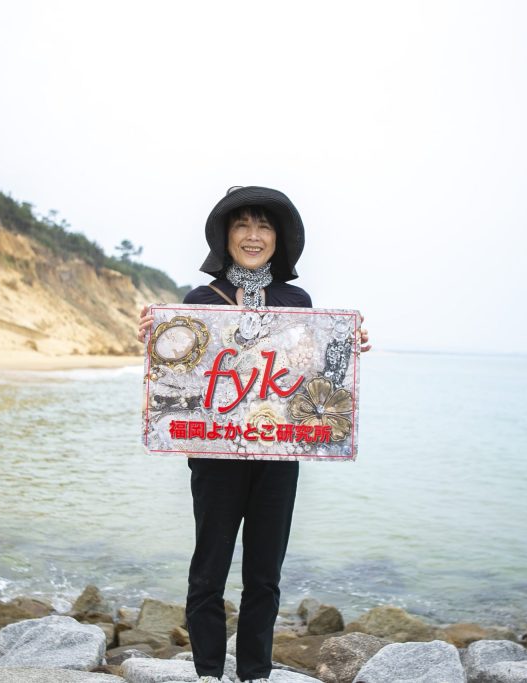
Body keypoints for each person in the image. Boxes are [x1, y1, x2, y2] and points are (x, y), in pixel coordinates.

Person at [138, 186, 370, 683]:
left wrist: (346, 347)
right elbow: (181, 376)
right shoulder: (200, 301)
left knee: (264, 576)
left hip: (278, 457)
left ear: (277, 238)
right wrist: (159, 338)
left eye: (263, 225)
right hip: (215, 457)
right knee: (208, 571)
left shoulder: (297, 301)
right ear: (225, 236)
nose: (253, 235)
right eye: (242, 224)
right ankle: (207, 672)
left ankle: (255, 674)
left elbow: (314, 374)